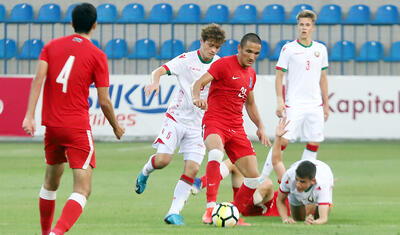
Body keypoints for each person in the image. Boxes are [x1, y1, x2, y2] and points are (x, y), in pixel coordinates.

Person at [22, 3, 125, 234]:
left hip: (53, 127)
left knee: (50, 183)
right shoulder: (98, 55)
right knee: (82, 189)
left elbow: (38, 79)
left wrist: (29, 116)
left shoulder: (51, 47)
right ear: (95, 25)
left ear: (71, 23)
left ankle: (45, 231)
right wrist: (116, 127)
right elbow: (104, 100)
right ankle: (56, 233)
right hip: (77, 128)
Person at [134, 24, 226, 225]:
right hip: (176, 119)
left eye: (217, 47)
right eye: (210, 45)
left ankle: (173, 213)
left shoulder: (219, 65)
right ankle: (145, 171)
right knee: (163, 161)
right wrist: (155, 82)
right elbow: (159, 71)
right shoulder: (186, 60)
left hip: (199, 125)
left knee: (192, 169)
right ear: (201, 42)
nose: (213, 50)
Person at [192, 33, 271, 225]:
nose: (252, 57)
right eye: (249, 51)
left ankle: (231, 212)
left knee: (253, 178)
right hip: (215, 121)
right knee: (216, 153)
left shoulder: (251, 75)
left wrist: (260, 126)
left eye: (257, 53)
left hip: (236, 127)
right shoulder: (223, 64)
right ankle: (210, 209)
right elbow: (198, 83)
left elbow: (250, 104)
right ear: (239, 49)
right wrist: (197, 98)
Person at [261, 10, 329, 179]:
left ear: (312, 27)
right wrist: (279, 100)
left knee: (313, 143)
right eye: (301, 25)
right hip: (294, 104)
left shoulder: (320, 49)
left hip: (315, 105)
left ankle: (302, 180)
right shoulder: (289, 49)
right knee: (282, 141)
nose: (304, 28)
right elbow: (279, 76)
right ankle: (262, 178)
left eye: (307, 25)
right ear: (297, 26)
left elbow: (323, 78)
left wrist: (326, 104)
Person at [272, 118, 334, 225]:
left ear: (313, 181)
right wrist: (285, 218)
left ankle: (320, 203)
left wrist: (314, 222)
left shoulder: (322, 183)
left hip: (325, 172)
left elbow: (323, 219)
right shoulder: (289, 177)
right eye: (297, 180)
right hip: (300, 191)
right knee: (298, 218)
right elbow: (280, 200)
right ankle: (309, 205)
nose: (298, 184)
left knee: (318, 216)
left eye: (302, 182)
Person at [191, 159, 291, 217]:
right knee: (235, 162)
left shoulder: (302, 200)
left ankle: (225, 208)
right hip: (253, 198)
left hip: (263, 208)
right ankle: (200, 183)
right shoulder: (291, 185)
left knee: (268, 184)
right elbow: (277, 160)